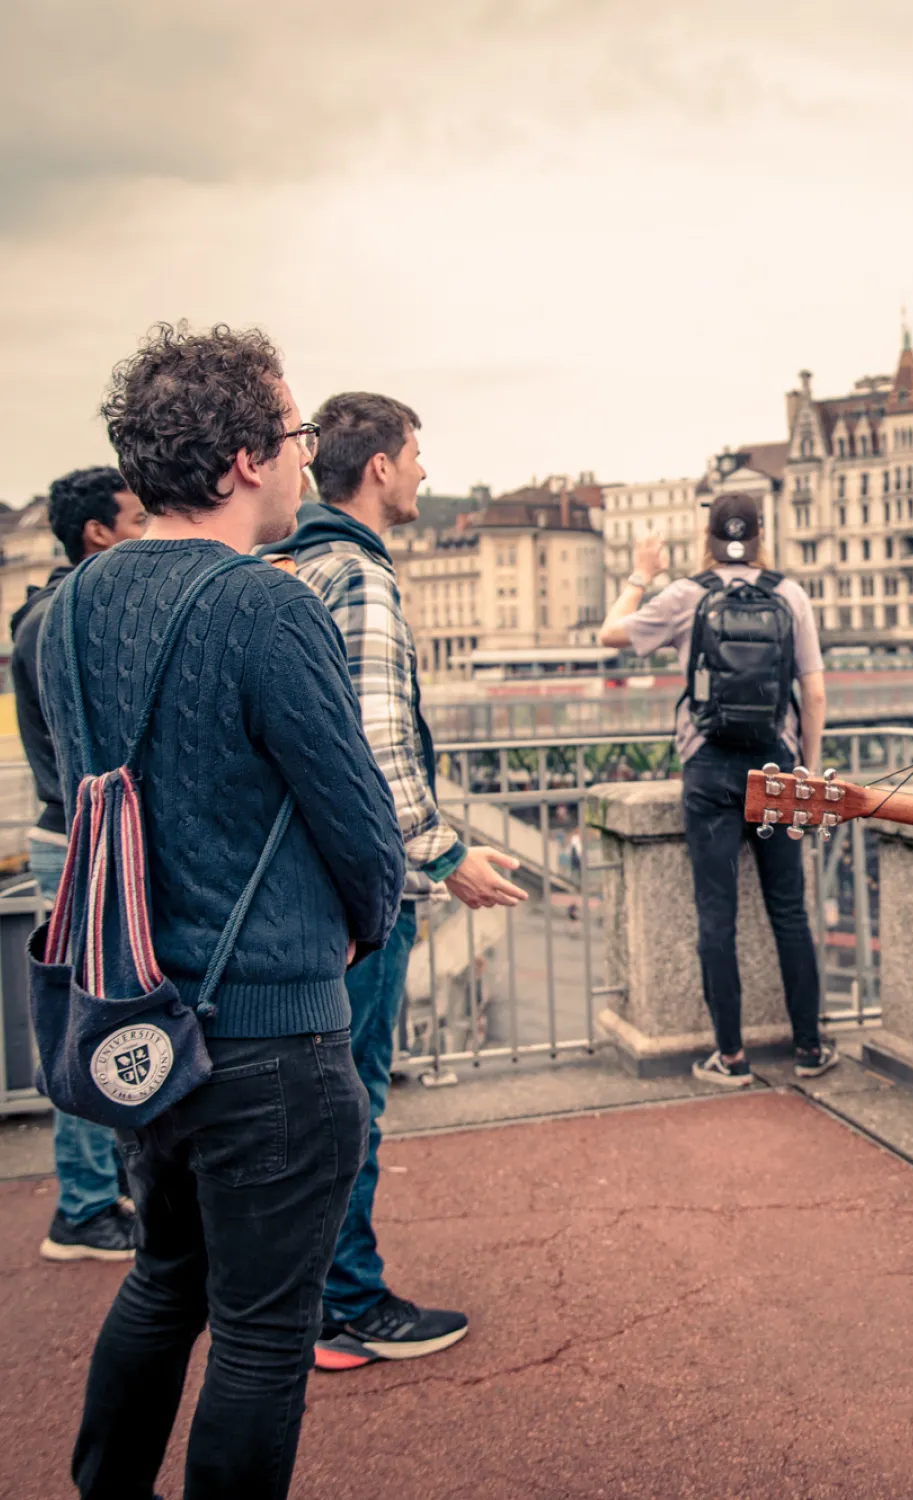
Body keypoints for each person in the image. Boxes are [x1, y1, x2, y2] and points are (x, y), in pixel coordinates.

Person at [43, 323, 405, 1500]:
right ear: (247, 458)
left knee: (164, 1281)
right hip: (270, 1032)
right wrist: (357, 928)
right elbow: (362, 827)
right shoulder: (267, 607)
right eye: (296, 435)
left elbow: (74, 793)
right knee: (260, 1332)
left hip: (139, 1020)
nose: (307, 458)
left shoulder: (62, 613)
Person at [272, 390, 526, 1371]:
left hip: (293, 895)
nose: (424, 471)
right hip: (356, 897)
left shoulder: (292, 563)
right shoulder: (363, 580)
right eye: (417, 455)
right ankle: (347, 1307)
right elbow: (379, 747)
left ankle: (301, 1300)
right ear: (379, 466)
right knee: (351, 1105)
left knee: (307, 1107)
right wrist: (447, 856)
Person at [598, 494, 837, 1084]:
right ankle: (809, 1048)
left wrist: (640, 574)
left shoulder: (688, 594)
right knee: (789, 911)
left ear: (707, 536)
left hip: (707, 768)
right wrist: (805, 770)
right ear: (762, 534)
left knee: (716, 914)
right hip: (777, 768)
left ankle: (730, 1056)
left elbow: (609, 635)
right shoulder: (790, 594)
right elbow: (815, 694)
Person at [14, 466, 148, 1261]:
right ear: (98, 532)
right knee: (92, 1020)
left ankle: (103, 1190)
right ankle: (86, 1205)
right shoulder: (68, 618)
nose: (147, 532)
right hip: (77, 840)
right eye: (135, 519)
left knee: (101, 1016)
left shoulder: (43, 614)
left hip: (68, 834)